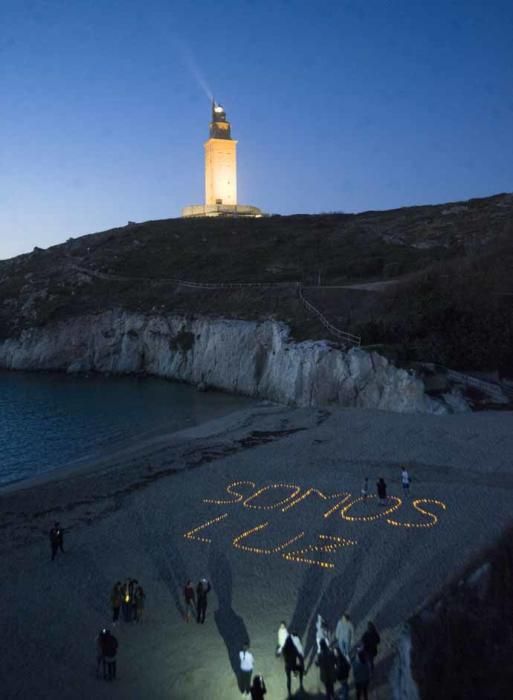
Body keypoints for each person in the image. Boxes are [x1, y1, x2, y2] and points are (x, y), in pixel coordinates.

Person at [282, 633, 304, 697]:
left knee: (288, 679)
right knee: (301, 669)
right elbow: (297, 654)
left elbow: (284, 657)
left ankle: (289, 692)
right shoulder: (293, 647)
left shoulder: (284, 649)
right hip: (293, 664)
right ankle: (301, 683)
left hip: (288, 666)